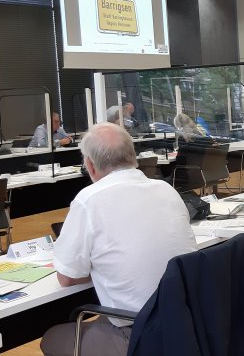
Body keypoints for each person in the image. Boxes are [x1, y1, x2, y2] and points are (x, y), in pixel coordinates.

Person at [41, 123, 197, 356]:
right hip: (186, 322)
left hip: (140, 334)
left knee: (52, 338)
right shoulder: (166, 190)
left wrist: (99, 264)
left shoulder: (89, 199)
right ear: (133, 156)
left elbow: (67, 277)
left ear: (90, 165)